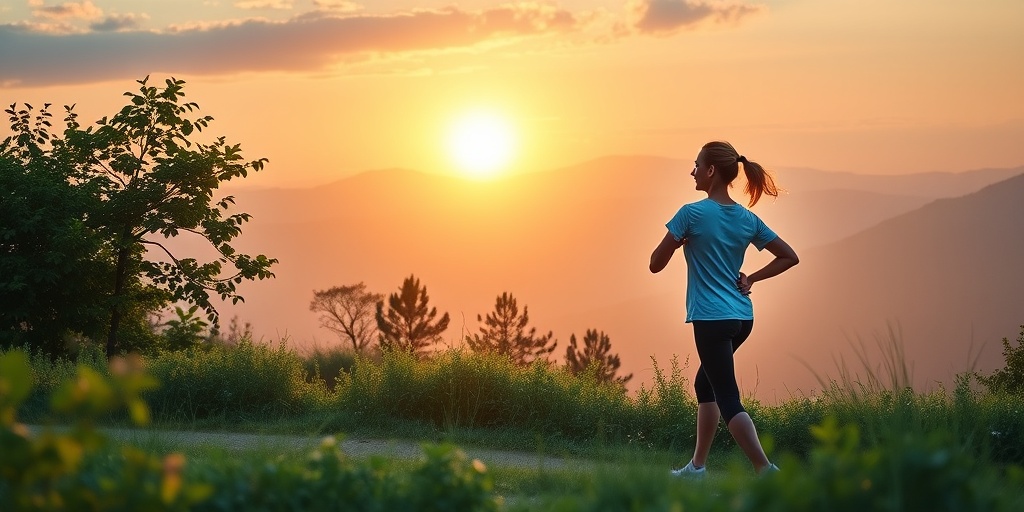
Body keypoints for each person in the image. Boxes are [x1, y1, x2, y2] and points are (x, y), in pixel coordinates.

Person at [649, 140, 799, 476]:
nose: (693, 171)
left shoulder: (691, 214)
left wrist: (679, 240)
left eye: (697, 165)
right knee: (706, 385)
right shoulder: (747, 218)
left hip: (711, 318)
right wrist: (753, 279)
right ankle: (697, 467)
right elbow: (789, 256)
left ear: (711, 170)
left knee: (728, 398)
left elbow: (654, 264)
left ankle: (765, 469)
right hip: (742, 317)